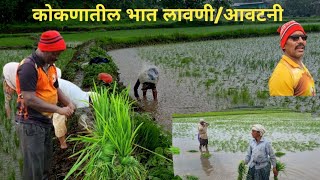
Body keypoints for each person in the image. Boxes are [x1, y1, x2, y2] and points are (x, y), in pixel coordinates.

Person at [15, 30, 74, 180]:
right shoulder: (29, 67)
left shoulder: (50, 66)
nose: (57, 57)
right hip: (31, 124)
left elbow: (55, 88)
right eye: (55, 54)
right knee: (34, 170)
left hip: (45, 123)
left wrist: (68, 102)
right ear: (45, 49)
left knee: (45, 166)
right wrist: (58, 109)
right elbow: (29, 99)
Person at [269, 20, 316, 96]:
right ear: (284, 45)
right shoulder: (281, 75)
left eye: (304, 38)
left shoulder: (300, 66)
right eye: (295, 38)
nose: (301, 41)